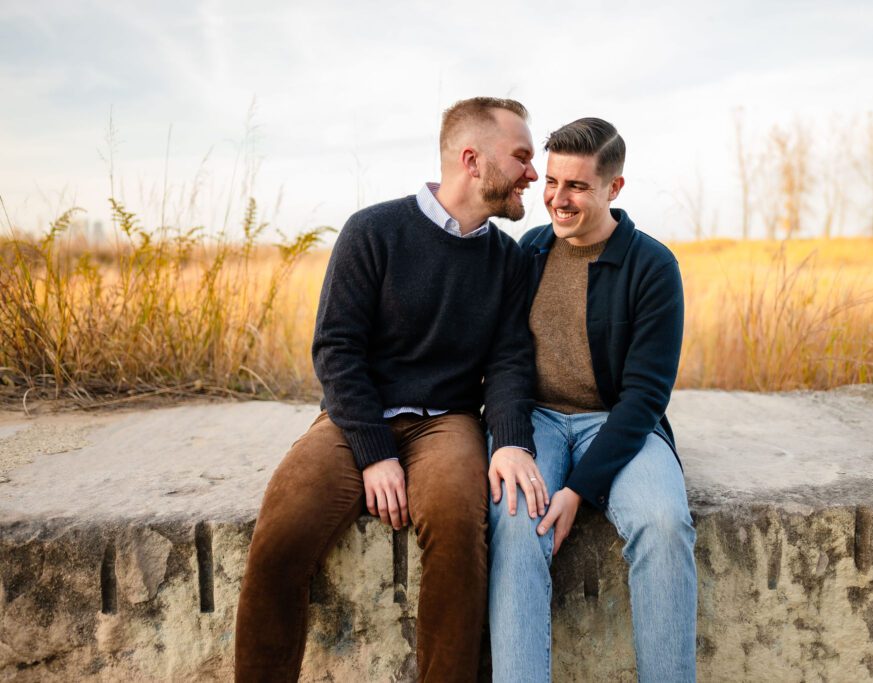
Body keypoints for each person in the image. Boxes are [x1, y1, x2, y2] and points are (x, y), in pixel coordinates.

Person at [234, 97, 548, 683]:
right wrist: (374, 454)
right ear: (472, 160)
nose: (534, 173)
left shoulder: (507, 260)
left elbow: (509, 361)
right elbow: (336, 348)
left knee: (459, 532)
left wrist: (509, 441)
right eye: (523, 157)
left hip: (448, 422)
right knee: (280, 537)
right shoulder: (374, 231)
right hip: (356, 418)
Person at [487, 117, 698, 682]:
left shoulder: (652, 266)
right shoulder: (529, 252)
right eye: (552, 182)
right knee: (513, 523)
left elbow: (646, 396)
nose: (557, 199)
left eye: (576, 186)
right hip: (538, 423)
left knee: (663, 521)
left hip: (620, 423)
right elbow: (503, 358)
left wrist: (579, 489)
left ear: (614, 188)